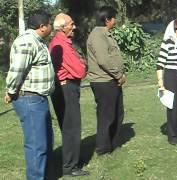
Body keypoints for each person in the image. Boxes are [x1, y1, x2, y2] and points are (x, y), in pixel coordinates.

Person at [4, 10, 54, 180]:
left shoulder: (37, 41)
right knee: (36, 146)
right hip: (30, 99)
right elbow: (17, 70)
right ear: (42, 27)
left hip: (39, 99)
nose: (51, 27)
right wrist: (11, 91)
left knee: (45, 142)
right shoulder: (27, 42)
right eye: (50, 24)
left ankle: (43, 176)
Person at [49, 13, 88, 176]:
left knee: (68, 126)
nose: (74, 26)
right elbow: (80, 71)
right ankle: (70, 166)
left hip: (62, 88)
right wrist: (83, 65)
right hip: (66, 89)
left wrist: (80, 64)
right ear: (63, 27)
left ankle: (70, 162)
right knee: (71, 127)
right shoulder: (62, 44)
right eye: (71, 24)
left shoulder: (59, 42)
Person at [86, 6, 126, 155]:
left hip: (112, 80)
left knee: (117, 113)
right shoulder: (97, 35)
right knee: (106, 116)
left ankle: (114, 143)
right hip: (104, 82)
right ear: (107, 19)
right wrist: (119, 75)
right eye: (114, 17)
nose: (115, 20)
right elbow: (104, 60)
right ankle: (103, 148)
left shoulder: (106, 34)